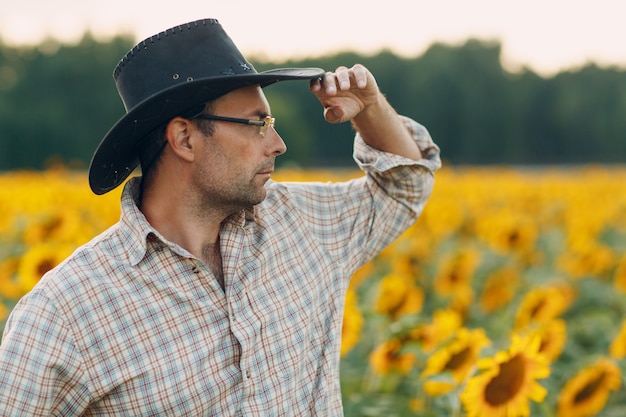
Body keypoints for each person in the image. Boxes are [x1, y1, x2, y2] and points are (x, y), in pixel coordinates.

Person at [0, 18, 440, 416]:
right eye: (257, 123)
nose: (278, 144)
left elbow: (404, 187)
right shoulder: (66, 313)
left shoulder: (302, 225)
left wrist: (372, 106)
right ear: (185, 139)